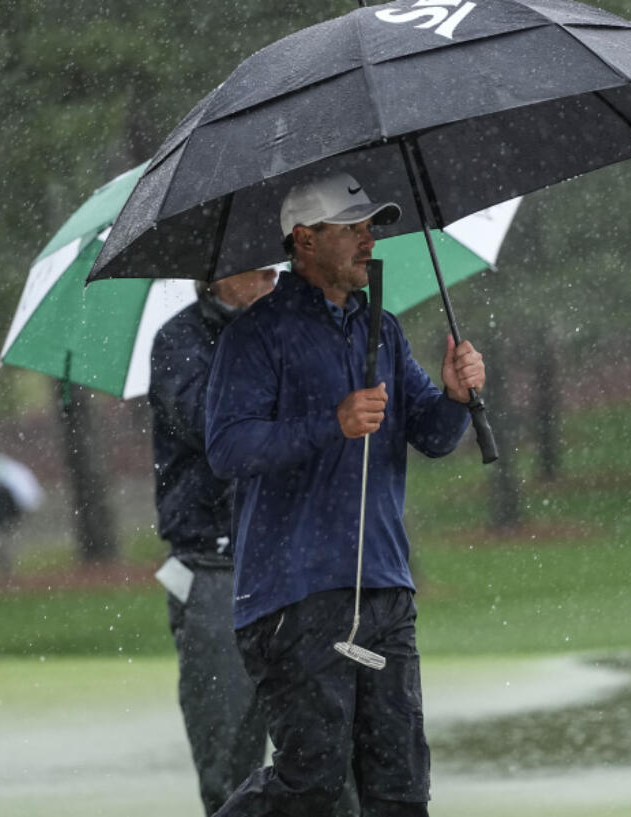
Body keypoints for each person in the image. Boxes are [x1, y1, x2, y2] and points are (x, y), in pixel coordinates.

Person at [205, 172, 486, 817]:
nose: (369, 240)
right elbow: (229, 448)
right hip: (293, 595)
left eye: (371, 226)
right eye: (352, 228)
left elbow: (435, 436)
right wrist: (329, 423)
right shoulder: (256, 336)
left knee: (400, 790)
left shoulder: (379, 327)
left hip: (384, 589)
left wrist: (456, 395)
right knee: (313, 784)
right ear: (304, 239)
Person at [148, 267, 281, 817]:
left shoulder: (292, 332)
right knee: (231, 772)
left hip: (298, 571)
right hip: (215, 572)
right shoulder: (178, 342)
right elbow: (219, 431)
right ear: (219, 272)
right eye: (257, 260)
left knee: (332, 766)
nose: (274, 271)